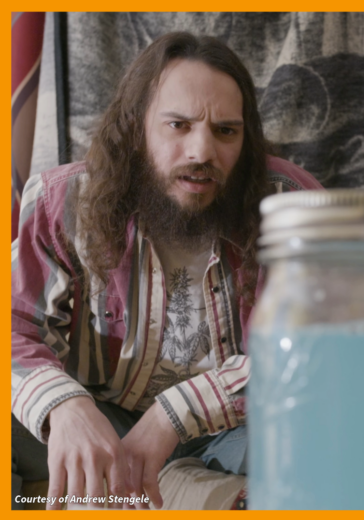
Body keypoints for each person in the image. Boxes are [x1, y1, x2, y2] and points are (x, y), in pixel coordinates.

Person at [11, 32, 322, 510]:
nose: (202, 151)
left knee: (329, 425)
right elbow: (15, 325)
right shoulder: (62, 202)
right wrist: (65, 406)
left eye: (225, 131)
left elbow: (305, 350)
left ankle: (176, 486)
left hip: (238, 433)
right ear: (137, 128)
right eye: (178, 125)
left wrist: (169, 417)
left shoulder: (291, 203)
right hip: (101, 420)